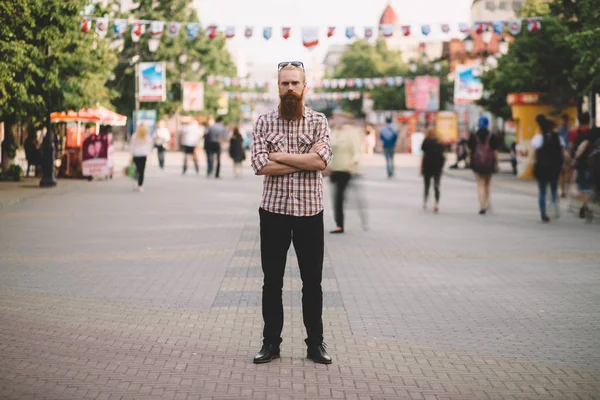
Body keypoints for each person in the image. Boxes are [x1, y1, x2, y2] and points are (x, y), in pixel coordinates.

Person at [250, 61, 333, 365]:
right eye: (284, 84)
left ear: (304, 87)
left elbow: (321, 162)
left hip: (310, 213)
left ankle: (316, 344)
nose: (289, 89)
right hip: (273, 213)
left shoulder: (318, 121)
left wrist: (280, 157)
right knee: (272, 282)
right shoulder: (263, 122)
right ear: (278, 86)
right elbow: (260, 166)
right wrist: (304, 158)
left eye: (295, 84)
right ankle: (271, 343)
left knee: (312, 282)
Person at [328, 113, 362, 234]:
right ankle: (339, 222)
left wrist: (354, 162)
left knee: (339, 197)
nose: (337, 120)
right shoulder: (334, 132)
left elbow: (357, 150)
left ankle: (340, 225)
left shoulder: (351, 132)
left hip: (345, 170)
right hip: (334, 170)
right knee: (336, 197)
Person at [532, 115, 565, 222]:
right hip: (554, 168)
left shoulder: (539, 137)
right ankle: (553, 207)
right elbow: (563, 152)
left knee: (542, 191)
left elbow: (534, 151)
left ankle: (543, 213)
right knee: (554, 189)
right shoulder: (558, 137)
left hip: (541, 167)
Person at [468, 116, 499, 215]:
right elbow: (495, 151)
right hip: (489, 164)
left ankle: (482, 206)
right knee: (487, 185)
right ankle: (486, 203)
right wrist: (497, 163)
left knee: (480, 184)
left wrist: (470, 161)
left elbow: (469, 150)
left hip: (477, 163)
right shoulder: (491, 136)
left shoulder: (474, 136)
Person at [571, 112, 597, 218]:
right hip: (594, 163)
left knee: (583, 186)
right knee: (589, 185)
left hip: (581, 163)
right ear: (589, 120)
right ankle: (586, 204)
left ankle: (584, 205)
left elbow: (574, 147)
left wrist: (574, 160)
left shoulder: (575, 133)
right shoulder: (594, 132)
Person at [421, 127, 446, 213]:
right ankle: (436, 203)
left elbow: (423, 153)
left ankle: (425, 202)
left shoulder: (425, 142)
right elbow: (443, 156)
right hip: (437, 167)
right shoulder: (439, 143)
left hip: (427, 166)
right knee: (436, 186)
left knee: (427, 185)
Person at [130, 124, 153, 192]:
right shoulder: (148, 137)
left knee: (136, 169)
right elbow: (150, 148)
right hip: (143, 155)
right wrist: (149, 157)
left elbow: (132, 146)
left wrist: (131, 155)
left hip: (136, 155)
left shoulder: (134, 136)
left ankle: (136, 181)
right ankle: (140, 185)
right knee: (141, 171)